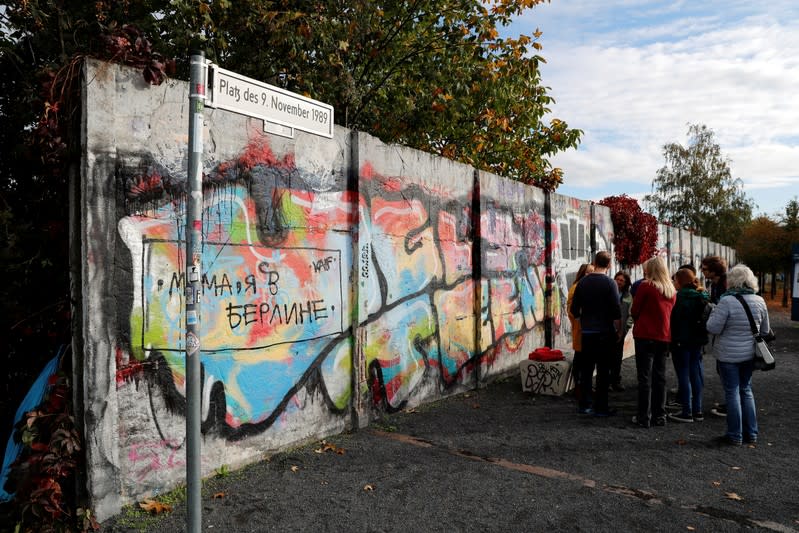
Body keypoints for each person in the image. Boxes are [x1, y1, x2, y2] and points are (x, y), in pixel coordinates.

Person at [705, 264, 770, 446]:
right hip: (749, 354)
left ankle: (734, 435)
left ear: (732, 281)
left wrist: (712, 313)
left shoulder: (726, 302)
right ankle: (751, 433)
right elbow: (765, 330)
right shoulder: (759, 301)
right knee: (746, 390)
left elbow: (713, 327)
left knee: (732, 392)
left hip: (728, 356)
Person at [569, 251, 621, 417]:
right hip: (605, 332)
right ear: (609, 264)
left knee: (586, 370)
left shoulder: (582, 283)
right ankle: (601, 407)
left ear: (594, 261)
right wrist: (618, 329)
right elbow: (616, 310)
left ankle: (584, 405)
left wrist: (583, 319)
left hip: (588, 332)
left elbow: (574, 309)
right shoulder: (610, 283)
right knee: (603, 371)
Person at [630, 257, 676, 428]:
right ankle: (659, 415)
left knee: (644, 377)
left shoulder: (646, 286)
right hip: (663, 336)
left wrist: (639, 319)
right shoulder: (671, 290)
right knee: (660, 377)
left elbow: (635, 309)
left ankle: (644, 416)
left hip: (645, 335)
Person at [667, 268, 709, 423]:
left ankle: (687, 411)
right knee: (695, 373)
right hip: (697, 340)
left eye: (675, 280)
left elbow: (674, 321)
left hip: (681, 341)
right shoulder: (702, 296)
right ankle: (697, 410)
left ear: (679, 281)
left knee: (683, 375)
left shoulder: (678, 298)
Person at [701, 255, 729, 417]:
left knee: (726, 370)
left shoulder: (725, 284)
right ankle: (730, 401)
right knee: (722, 369)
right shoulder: (715, 283)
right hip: (721, 332)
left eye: (705, 269)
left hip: (727, 333)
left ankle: (731, 405)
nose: (702, 272)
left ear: (714, 269)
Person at [567, 263, 594, 402]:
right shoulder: (576, 287)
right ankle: (578, 385)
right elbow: (572, 310)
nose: (590, 275)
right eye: (588, 272)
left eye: (592, 272)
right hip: (581, 328)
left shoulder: (587, 287)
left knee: (585, 358)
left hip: (586, 329)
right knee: (580, 358)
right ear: (582, 273)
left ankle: (584, 385)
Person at [610, 271, 633, 391]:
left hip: (620, 331)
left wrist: (626, 327)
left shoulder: (628, 296)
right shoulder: (609, 292)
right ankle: (607, 382)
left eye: (621, 280)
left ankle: (615, 381)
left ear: (626, 283)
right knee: (606, 356)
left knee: (617, 357)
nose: (618, 282)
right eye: (617, 279)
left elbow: (631, 314)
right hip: (608, 329)